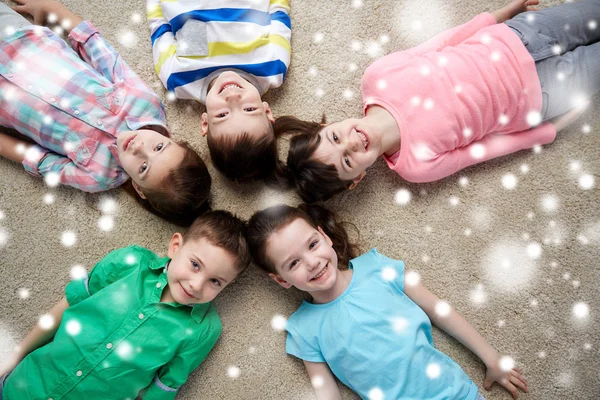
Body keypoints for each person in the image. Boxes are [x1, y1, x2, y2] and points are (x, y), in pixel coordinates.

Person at [276, 0, 598, 202]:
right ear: (356, 180)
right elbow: (486, 150)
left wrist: (499, 14)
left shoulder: (377, 77)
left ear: (326, 124)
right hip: (541, 95)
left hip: (518, 35)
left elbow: (444, 41)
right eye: (347, 161)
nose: (352, 143)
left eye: (335, 136)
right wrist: (551, 130)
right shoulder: (415, 166)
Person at [247, 204, 529, 400]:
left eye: (312, 245)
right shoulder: (303, 329)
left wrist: (491, 358)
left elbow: (439, 311)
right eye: (294, 263)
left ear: (324, 236)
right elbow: (327, 393)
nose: (312, 263)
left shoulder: (377, 267)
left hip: (452, 392)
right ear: (281, 279)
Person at [0, 0, 212, 225]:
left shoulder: (97, 177)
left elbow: (39, 160)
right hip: (21, 40)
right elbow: (100, 51)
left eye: (143, 167)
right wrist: (51, 7)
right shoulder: (145, 104)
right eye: (158, 147)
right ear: (177, 141)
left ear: (138, 188)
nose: (139, 147)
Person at [0, 210, 251, 399]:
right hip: (23, 385)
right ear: (176, 246)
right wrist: (15, 355)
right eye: (195, 264)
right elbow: (69, 302)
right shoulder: (130, 261)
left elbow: (164, 387)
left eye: (215, 281)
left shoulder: (203, 329)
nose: (197, 285)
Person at [147, 0, 291, 182]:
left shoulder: (179, 80)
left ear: (205, 122)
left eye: (223, 114)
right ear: (267, 110)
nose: (232, 98)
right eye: (249, 109)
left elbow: (159, 28)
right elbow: (279, 16)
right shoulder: (273, 70)